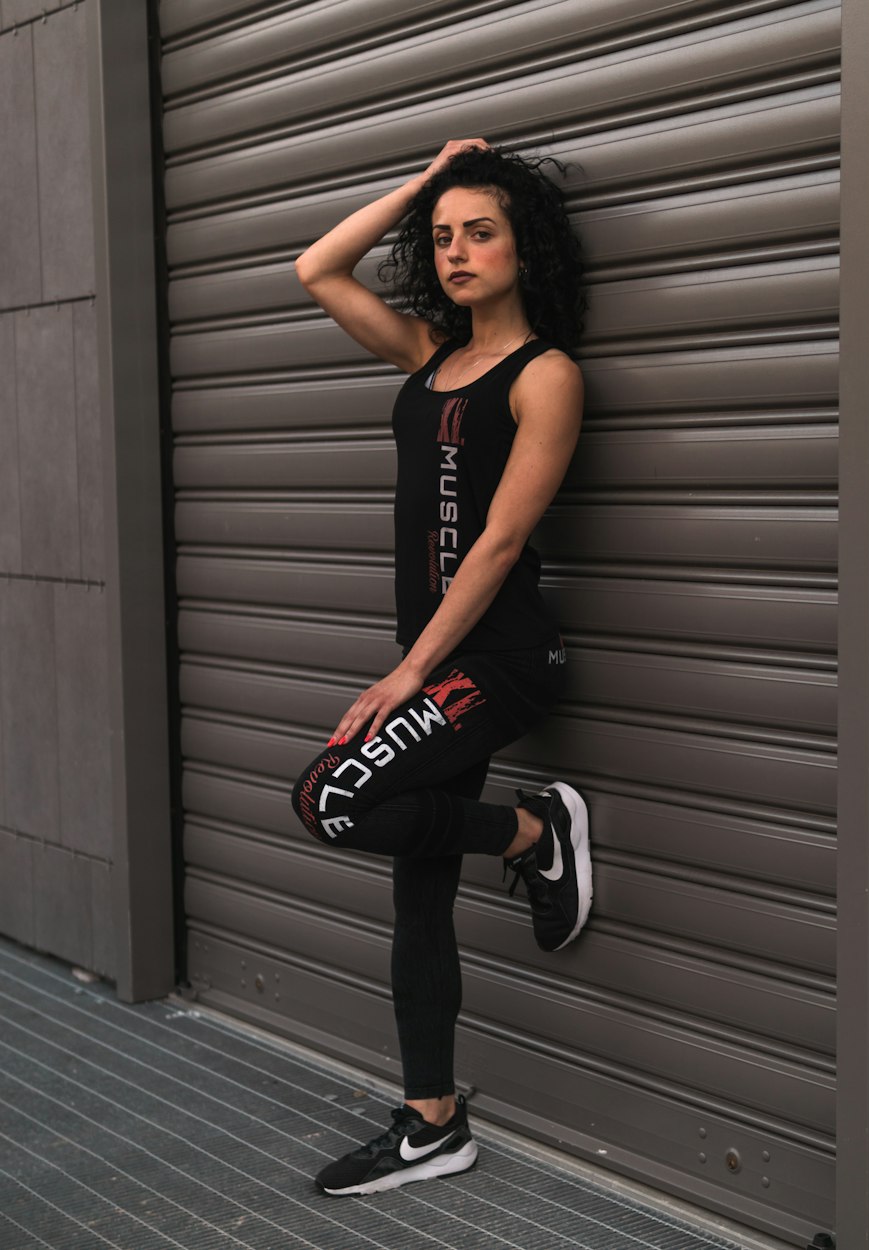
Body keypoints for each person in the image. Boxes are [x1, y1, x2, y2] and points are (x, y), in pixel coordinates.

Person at [290, 139, 591, 1198]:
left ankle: (532, 830)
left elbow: (500, 541)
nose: (456, 251)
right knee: (419, 898)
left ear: (524, 245)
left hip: (494, 659)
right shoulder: (427, 353)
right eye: (442, 236)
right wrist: (420, 184)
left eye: (480, 231)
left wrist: (411, 671)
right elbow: (316, 270)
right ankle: (433, 1122)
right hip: (434, 662)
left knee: (332, 796)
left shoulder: (545, 373)